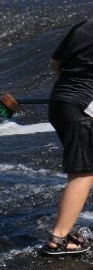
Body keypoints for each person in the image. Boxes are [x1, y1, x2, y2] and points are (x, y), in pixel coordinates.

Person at [40, 17, 93, 256]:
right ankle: (58, 239)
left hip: (60, 102)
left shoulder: (82, 26)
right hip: (83, 109)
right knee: (83, 172)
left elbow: (55, 64)